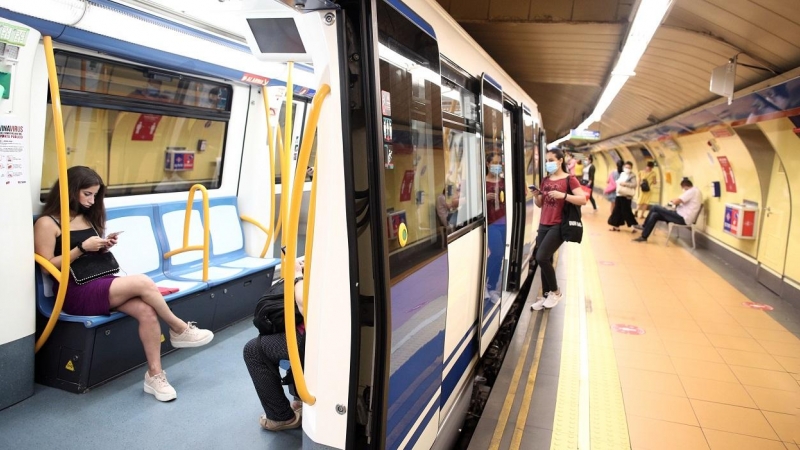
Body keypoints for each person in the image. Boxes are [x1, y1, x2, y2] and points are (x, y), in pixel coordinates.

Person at [33, 166, 214, 402]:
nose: (92, 200)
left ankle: (155, 375)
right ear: (70, 191)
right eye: (87, 194)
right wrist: (81, 248)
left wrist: (102, 245)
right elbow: (46, 265)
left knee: (147, 311)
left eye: (95, 195)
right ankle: (178, 327)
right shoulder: (48, 223)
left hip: (101, 282)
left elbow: (89, 252)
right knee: (142, 282)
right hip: (74, 292)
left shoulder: (86, 217)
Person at [243, 259, 306, 432]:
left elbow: (305, 306)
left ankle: (281, 418)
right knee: (284, 329)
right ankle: (300, 398)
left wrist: (297, 276)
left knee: (254, 350)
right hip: (311, 333)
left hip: (314, 337)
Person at [529, 148, 587, 310]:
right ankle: (547, 294)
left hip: (558, 224)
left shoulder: (570, 179)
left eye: (551, 160)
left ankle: (555, 292)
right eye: (547, 160)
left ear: (560, 161)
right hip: (544, 223)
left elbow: (583, 200)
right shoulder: (545, 180)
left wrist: (564, 196)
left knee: (541, 257)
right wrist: (536, 195)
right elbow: (541, 204)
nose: (548, 163)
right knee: (545, 259)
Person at [633, 178, 702, 243]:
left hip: (682, 218)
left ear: (685, 187)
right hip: (680, 215)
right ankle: (643, 237)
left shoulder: (691, 191)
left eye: (683, 189)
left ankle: (644, 226)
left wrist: (674, 200)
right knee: (655, 215)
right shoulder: (696, 191)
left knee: (655, 207)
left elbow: (676, 201)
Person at [608, 161, 638, 232]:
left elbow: (634, 184)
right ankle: (616, 226)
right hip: (619, 195)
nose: (627, 168)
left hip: (626, 196)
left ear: (631, 168)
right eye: (626, 167)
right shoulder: (622, 174)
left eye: (629, 167)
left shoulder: (632, 175)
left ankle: (633, 227)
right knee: (617, 211)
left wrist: (625, 184)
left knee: (627, 211)